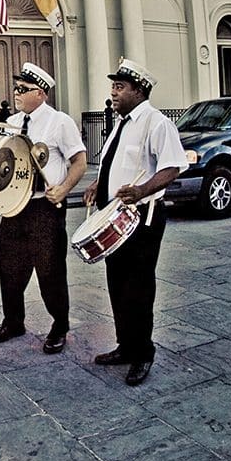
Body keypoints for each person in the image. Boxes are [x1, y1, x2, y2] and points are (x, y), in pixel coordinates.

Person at [83, 58, 188, 386]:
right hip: (115, 218)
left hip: (142, 219)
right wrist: (98, 184)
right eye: (112, 87)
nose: (113, 93)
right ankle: (125, 346)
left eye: (119, 87)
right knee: (117, 284)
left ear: (139, 90)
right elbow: (115, 162)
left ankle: (143, 352)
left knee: (139, 287)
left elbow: (173, 167)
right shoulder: (122, 123)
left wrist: (142, 189)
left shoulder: (156, 123)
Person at [0, 63, 86, 355]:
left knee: (50, 269)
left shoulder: (60, 122)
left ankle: (59, 325)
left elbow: (79, 161)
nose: (16, 94)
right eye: (16, 88)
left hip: (45, 206)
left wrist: (65, 188)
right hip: (15, 206)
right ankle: (13, 321)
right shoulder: (13, 121)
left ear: (41, 93)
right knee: (9, 267)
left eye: (22, 89)